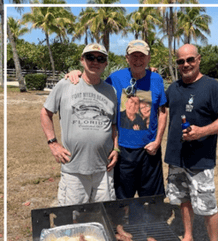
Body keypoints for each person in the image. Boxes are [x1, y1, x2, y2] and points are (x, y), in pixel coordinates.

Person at [65, 40, 168, 199]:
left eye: (142, 56)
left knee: (151, 200)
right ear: (127, 57)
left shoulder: (156, 79)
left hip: (150, 150)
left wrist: (158, 141)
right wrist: (77, 73)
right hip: (122, 151)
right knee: (121, 200)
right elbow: (94, 84)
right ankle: (121, 224)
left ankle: (147, 224)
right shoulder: (115, 78)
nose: (138, 60)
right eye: (134, 56)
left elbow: (162, 112)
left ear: (148, 59)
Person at [165, 43, 218, 241]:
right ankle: (188, 236)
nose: (185, 64)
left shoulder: (212, 87)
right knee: (184, 201)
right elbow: (153, 100)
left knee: (207, 206)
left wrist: (202, 132)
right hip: (176, 158)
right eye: (180, 61)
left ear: (199, 59)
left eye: (190, 60)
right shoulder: (173, 88)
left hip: (201, 160)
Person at [40, 43, 118, 206]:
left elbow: (113, 125)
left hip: (104, 169)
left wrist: (116, 149)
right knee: (73, 216)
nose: (95, 62)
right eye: (90, 57)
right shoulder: (66, 85)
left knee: (104, 214)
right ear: (82, 60)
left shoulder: (111, 91)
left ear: (105, 64)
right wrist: (53, 144)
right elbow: (45, 113)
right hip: (74, 168)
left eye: (100, 58)